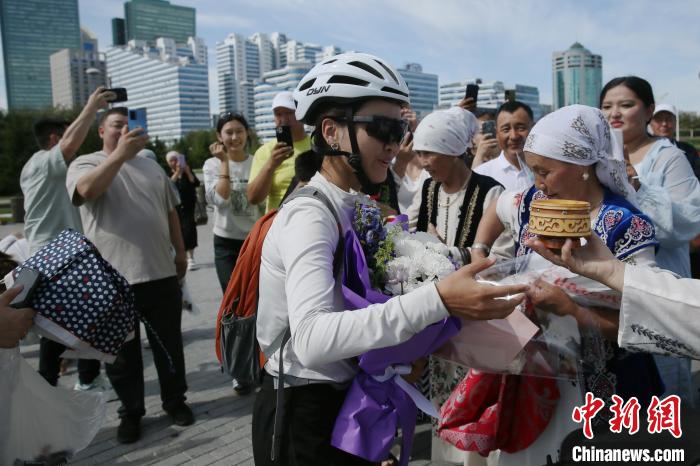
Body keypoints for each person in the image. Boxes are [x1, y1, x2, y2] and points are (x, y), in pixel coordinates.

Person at [251, 52, 529, 466]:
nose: (395, 145)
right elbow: (311, 341)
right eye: (382, 129)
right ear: (332, 132)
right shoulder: (310, 214)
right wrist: (438, 300)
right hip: (303, 410)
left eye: (400, 129)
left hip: (346, 399)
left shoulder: (351, 202)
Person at [471, 105, 663, 466]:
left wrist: (572, 310)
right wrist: (480, 253)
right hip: (536, 377)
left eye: (545, 171)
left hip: (605, 388)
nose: (538, 181)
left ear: (583, 166)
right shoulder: (533, 201)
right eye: (533, 171)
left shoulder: (626, 225)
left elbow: (648, 320)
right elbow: (496, 209)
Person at [66, 107, 193, 444]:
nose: (123, 130)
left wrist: (180, 253)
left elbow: (171, 212)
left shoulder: (151, 166)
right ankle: (131, 412)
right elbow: (87, 192)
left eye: (128, 124)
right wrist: (120, 155)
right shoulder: (86, 163)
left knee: (169, 346)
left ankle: (175, 401)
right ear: (101, 132)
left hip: (160, 273)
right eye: (116, 125)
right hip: (112, 280)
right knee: (122, 357)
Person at [404, 106, 503, 465]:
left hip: (476, 315)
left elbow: (494, 258)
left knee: (476, 397)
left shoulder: (491, 193)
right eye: (419, 152)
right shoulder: (427, 189)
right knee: (444, 397)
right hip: (437, 312)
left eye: (429, 152)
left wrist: (439, 248)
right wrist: (429, 246)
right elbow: (409, 238)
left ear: (452, 151)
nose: (423, 161)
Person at [600, 76, 700, 401]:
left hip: (659, 287)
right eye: (606, 107)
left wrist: (639, 188)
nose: (615, 114)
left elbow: (687, 223)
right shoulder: (596, 159)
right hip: (603, 295)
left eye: (626, 105)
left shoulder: (668, 158)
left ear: (649, 110)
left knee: (664, 392)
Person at [20, 87, 113, 391]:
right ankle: (55, 386)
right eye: (66, 135)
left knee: (75, 319)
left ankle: (83, 378)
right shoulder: (43, 162)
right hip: (53, 258)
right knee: (60, 325)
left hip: (61, 255)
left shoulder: (41, 167)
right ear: (53, 139)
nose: (75, 141)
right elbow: (71, 143)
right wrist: (92, 107)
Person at [527, 234, 700, 359]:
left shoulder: (627, 220)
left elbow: (682, 313)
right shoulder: (524, 202)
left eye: (545, 179)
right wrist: (612, 271)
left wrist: (574, 311)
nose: (540, 184)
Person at [203, 113, 262, 297]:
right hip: (225, 243)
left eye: (240, 131)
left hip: (254, 241)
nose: (235, 137)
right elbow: (221, 201)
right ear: (219, 136)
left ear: (247, 133)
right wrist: (224, 162)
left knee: (255, 297)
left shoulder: (257, 162)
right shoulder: (211, 164)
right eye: (229, 132)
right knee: (232, 299)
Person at [247, 91, 312, 213]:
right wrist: (271, 165)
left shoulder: (317, 144)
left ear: (301, 113)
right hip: (278, 224)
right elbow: (253, 198)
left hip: (313, 216)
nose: (283, 119)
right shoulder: (264, 152)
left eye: (289, 113)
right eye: (278, 114)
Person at [472, 100, 534, 192]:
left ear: (533, 128)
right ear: (497, 133)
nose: (513, 136)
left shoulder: (548, 171)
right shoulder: (481, 174)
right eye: (506, 129)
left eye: (521, 128)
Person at [390, 107, 429, 214]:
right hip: (396, 226)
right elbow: (386, 194)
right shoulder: (387, 161)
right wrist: (401, 162)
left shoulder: (430, 164)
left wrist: (417, 128)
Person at [166, 151, 200, 271]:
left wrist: (187, 171)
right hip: (174, 208)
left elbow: (196, 183)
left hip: (189, 206)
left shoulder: (187, 171)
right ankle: (183, 256)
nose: (174, 162)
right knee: (178, 231)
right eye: (171, 160)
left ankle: (191, 257)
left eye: (176, 159)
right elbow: (168, 185)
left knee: (190, 229)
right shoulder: (167, 173)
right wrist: (177, 173)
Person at [649, 103, 700, 178]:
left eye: (668, 119)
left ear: (675, 122)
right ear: (650, 123)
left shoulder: (689, 151)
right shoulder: (642, 150)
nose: (664, 123)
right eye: (659, 119)